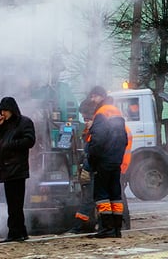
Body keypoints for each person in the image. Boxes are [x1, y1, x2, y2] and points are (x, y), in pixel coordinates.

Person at [84, 86, 131, 238]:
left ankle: (106, 228)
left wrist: (92, 159)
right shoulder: (117, 112)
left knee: (102, 195)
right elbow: (123, 139)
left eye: (93, 96)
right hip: (115, 162)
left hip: (103, 162)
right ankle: (117, 229)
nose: (92, 100)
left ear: (100, 97)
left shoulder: (100, 114)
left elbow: (97, 140)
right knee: (115, 195)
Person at [0, 97, 36, 243]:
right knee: (12, 203)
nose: (3, 113)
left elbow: (30, 141)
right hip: (5, 168)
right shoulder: (3, 125)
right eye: (1, 110)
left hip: (17, 168)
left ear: (12, 110)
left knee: (16, 203)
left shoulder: (25, 122)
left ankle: (14, 232)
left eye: (5, 110)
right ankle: (20, 232)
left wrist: (11, 144)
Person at [67, 98, 99, 234]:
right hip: (94, 168)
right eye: (84, 119)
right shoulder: (88, 131)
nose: (85, 122)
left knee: (90, 199)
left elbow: (92, 152)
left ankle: (81, 225)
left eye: (87, 119)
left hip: (96, 169)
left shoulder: (97, 131)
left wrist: (86, 166)